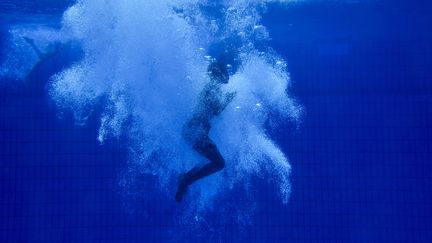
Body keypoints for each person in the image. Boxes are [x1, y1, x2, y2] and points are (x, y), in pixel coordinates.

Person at [175, 61, 236, 202]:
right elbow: (216, 110)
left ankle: (186, 179)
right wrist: (228, 99)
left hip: (193, 132)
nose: (227, 74)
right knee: (219, 163)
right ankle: (186, 179)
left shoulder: (211, 88)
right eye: (224, 71)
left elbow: (210, 111)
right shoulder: (211, 88)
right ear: (218, 73)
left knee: (215, 161)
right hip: (194, 132)